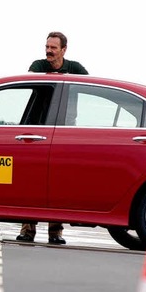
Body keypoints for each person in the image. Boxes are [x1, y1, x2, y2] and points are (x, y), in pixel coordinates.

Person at [17, 31, 89, 245]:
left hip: (62, 132)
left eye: (53, 48)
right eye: (47, 47)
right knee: (31, 180)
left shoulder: (76, 69)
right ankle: (27, 229)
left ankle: (55, 231)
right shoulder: (38, 65)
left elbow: (88, 84)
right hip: (35, 130)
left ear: (64, 50)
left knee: (59, 180)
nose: (48, 51)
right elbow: (31, 78)